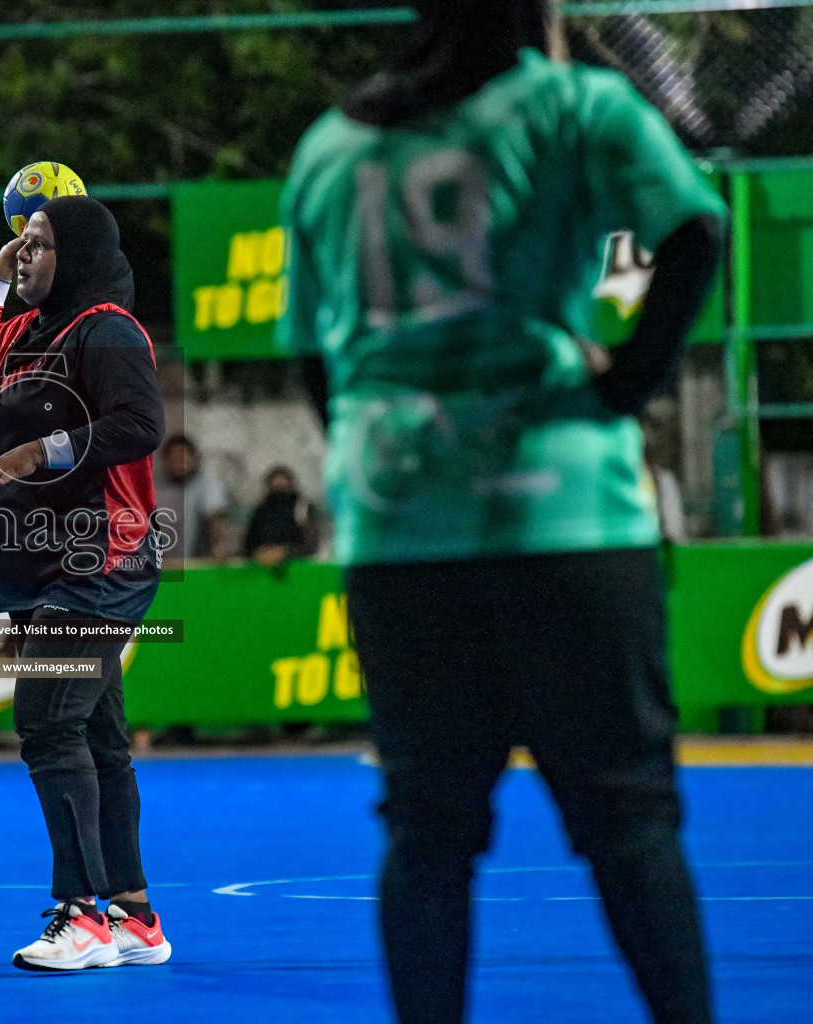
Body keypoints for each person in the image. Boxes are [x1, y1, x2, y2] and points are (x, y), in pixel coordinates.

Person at [279, 3, 724, 1022]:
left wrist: (383, 454)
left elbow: (313, 350)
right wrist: (621, 388)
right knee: (630, 823)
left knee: (427, 835)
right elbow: (696, 229)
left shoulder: (332, 146)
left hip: (401, 531)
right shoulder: (571, 105)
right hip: (561, 513)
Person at [0, 195, 171, 971]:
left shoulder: (106, 329)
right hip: (42, 562)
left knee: (45, 718)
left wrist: (44, 450)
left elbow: (140, 424)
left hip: (100, 560)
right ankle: (135, 917)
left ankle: (83, 916)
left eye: (39, 245)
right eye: (21, 245)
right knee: (98, 736)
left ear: (74, 255)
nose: (27, 254)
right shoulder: (26, 331)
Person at [155, 433, 229, 561]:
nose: (178, 464)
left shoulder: (205, 481)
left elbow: (214, 518)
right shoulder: (155, 485)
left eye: (182, 459)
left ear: (193, 459)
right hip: (162, 562)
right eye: (174, 459)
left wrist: (217, 547)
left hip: (196, 563)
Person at [242, 466, 321, 565]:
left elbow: (311, 544)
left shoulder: (302, 508)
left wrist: (286, 552)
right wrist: (261, 553)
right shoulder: (261, 511)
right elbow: (249, 544)